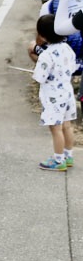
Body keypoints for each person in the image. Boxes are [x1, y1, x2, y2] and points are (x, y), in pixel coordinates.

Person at [32, 15, 78, 171]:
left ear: (42, 36)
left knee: (55, 128)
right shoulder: (67, 49)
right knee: (67, 125)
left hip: (53, 97)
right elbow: (73, 67)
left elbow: (39, 77)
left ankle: (58, 160)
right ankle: (68, 155)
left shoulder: (46, 55)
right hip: (67, 91)